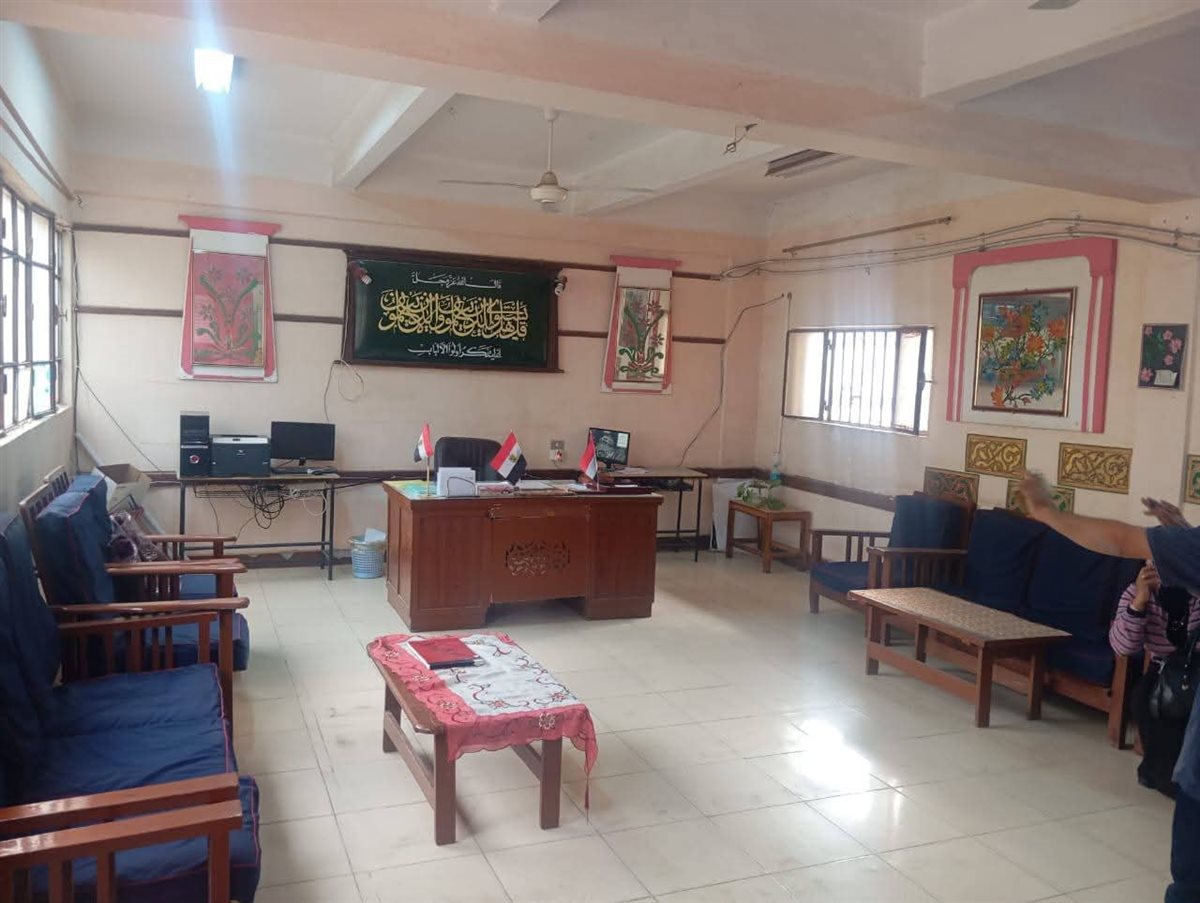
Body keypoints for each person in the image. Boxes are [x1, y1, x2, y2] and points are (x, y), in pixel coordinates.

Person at [1018, 474, 1200, 903]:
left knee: (1191, 880)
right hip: (1170, 685)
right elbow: (1123, 645)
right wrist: (1143, 597)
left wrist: (1045, 512)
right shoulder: (1147, 590)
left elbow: (1119, 539)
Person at [1109, 561, 1200, 795]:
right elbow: (1122, 647)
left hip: (1194, 676)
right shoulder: (1139, 591)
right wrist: (1139, 602)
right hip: (1162, 676)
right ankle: (1156, 770)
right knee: (1144, 697)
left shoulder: (1195, 590)